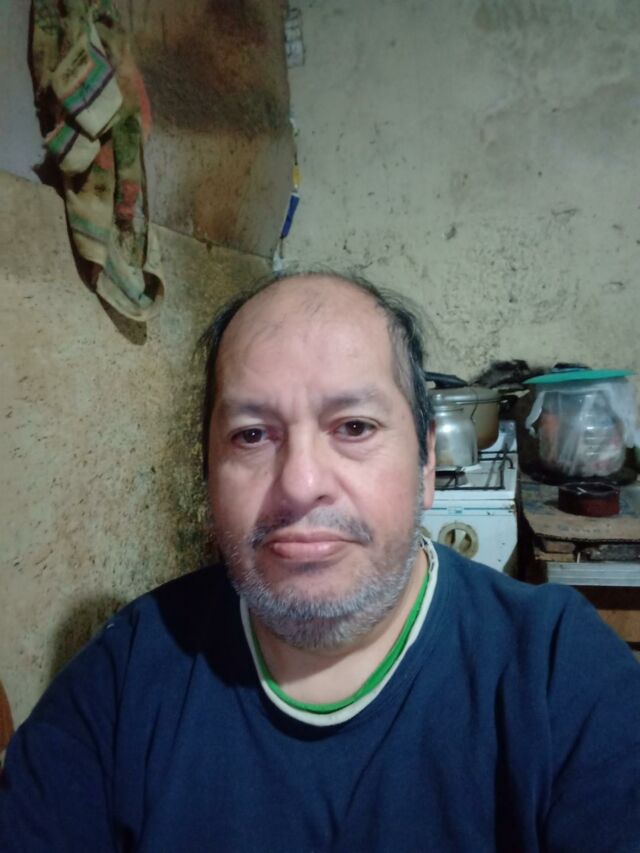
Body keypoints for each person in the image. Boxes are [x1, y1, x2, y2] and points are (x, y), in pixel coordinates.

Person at [1, 271, 639, 852]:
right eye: (252, 435)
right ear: (209, 476)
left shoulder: (560, 675)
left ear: (425, 466)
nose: (301, 484)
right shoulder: (126, 676)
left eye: (354, 427)